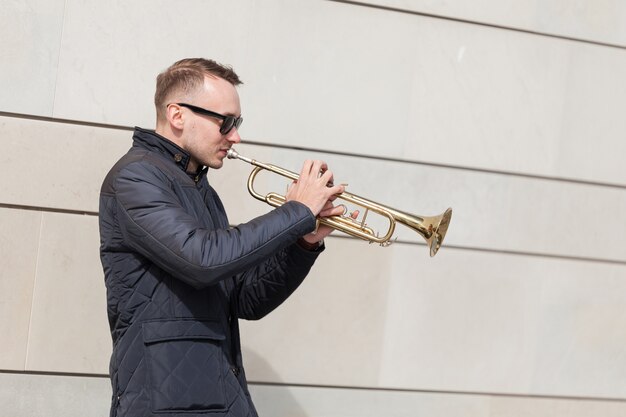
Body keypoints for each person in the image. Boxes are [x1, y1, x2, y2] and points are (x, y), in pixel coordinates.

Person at [99, 58, 346, 417]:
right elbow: (203, 260)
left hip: (219, 396)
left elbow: (247, 300)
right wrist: (295, 212)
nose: (235, 136)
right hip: (165, 402)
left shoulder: (200, 189)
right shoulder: (135, 179)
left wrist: (303, 241)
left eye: (238, 122)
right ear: (177, 115)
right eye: (226, 122)